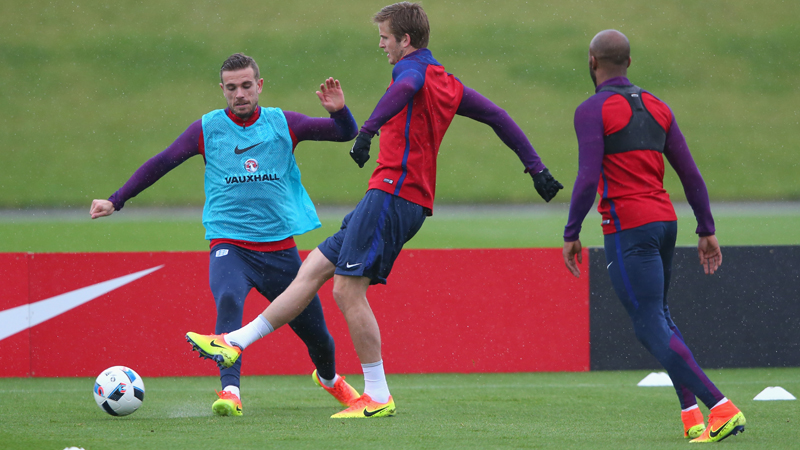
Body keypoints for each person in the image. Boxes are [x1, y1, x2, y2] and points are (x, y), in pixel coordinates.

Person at [185, 1, 564, 419]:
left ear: (405, 40)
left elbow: (404, 89)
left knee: (347, 291)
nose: (381, 45)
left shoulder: (411, 70)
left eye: (385, 37)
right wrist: (536, 167)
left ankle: (378, 395)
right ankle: (234, 341)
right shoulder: (447, 81)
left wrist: (366, 132)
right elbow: (498, 115)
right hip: (402, 197)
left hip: (392, 193)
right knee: (312, 267)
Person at [91, 53, 361, 417]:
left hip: (281, 250)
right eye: (231, 87)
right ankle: (230, 392)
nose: (239, 94)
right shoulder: (207, 128)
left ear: (259, 86)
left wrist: (339, 111)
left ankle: (329, 380)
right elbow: (162, 161)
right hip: (229, 244)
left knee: (318, 336)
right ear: (222, 90)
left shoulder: (284, 123)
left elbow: (345, 133)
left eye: (246, 86)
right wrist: (116, 200)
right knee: (229, 300)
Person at [561, 30, 746, 443]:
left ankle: (720, 407)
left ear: (592, 61)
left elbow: (588, 176)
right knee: (658, 316)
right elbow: (690, 173)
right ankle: (691, 417)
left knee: (648, 325)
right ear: (629, 62)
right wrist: (706, 228)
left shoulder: (592, 110)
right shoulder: (658, 106)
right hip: (665, 223)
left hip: (628, 227)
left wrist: (571, 231)